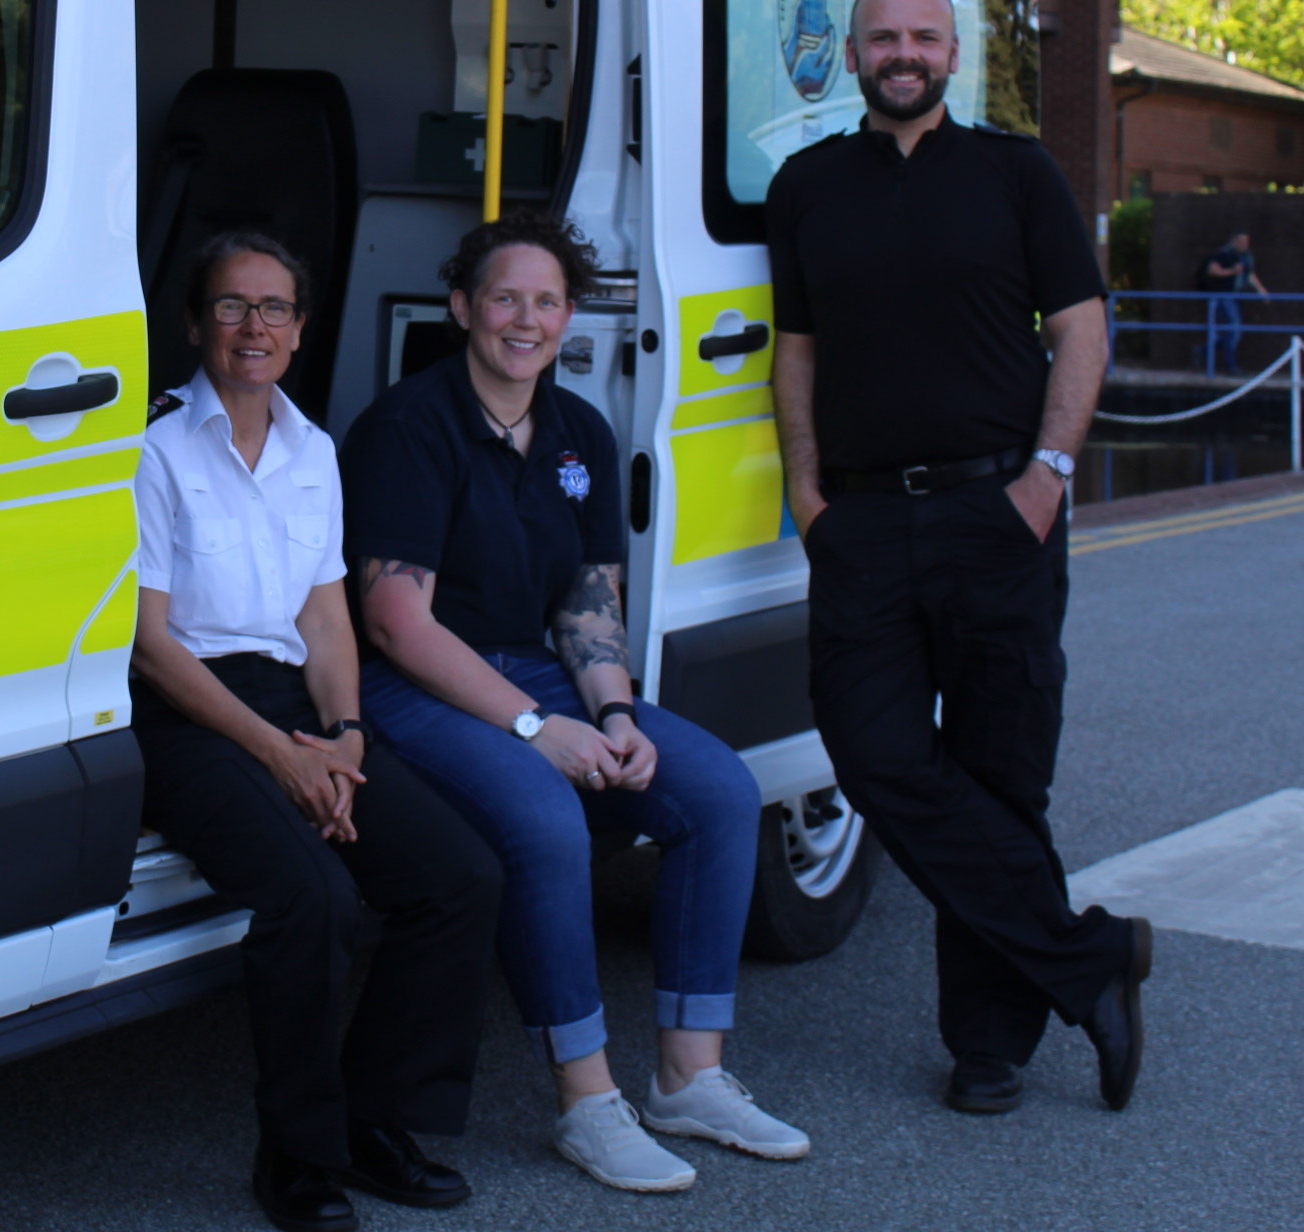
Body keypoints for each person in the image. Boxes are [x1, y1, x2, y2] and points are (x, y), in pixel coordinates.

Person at [342, 214, 808, 1197]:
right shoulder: (408, 427)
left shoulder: (580, 431)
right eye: (504, 298)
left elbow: (588, 603)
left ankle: (689, 1077)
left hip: (539, 670)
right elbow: (394, 623)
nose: (526, 320)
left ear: (568, 316)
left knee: (721, 791)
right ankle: (587, 1100)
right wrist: (533, 728)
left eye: (546, 301)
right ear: (462, 306)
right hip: (418, 681)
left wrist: (616, 715)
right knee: (545, 818)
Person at [767, 0, 1151, 1120]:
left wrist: (1048, 479)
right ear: (850, 54)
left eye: (924, 37)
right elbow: (797, 351)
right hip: (863, 523)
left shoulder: (1017, 173)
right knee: (875, 755)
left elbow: (1082, 331)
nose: (904, 53)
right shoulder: (805, 185)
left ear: (952, 53)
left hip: (1000, 514)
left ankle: (987, 1047)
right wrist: (807, 493)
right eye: (883, 36)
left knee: (999, 775)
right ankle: (1087, 959)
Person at [133, 230, 504, 1232]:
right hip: (193, 713)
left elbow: (327, 617)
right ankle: (296, 1157)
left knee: (459, 877)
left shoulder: (315, 451)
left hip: (303, 703)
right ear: (195, 324)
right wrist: (277, 754)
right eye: (230, 305)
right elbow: (150, 646)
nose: (253, 327)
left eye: (274, 309)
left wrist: (343, 736)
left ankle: (375, 1123)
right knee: (315, 897)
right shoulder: (154, 449)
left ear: (300, 329)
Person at [1197, 233, 1268, 375]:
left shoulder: (1245, 256)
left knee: (1233, 332)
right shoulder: (1224, 254)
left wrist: (1261, 290)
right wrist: (1232, 271)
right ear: (1234, 241)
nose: (1244, 244)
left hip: (1236, 297)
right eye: (1241, 241)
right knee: (1234, 330)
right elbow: (1212, 270)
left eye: (1246, 242)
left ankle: (1202, 350)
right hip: (1224, 296)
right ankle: (1230, 366)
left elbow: (1248, 274)